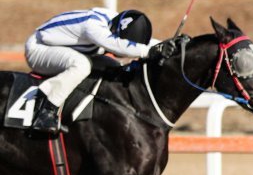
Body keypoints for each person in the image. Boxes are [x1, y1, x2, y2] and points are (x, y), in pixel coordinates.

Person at [23, 8, 159, 136]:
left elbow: (140, 44)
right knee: (81, 66)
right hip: (38, 49)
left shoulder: (112, 23)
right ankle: (46, 110)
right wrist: (149, 51)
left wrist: (165, 45)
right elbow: (118, 45)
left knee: (115, 66)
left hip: (66, 50)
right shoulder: (93, 26)